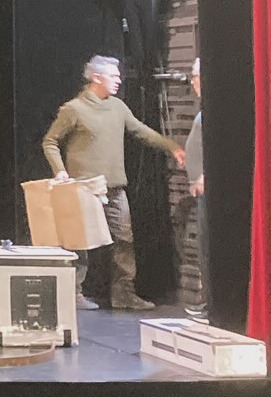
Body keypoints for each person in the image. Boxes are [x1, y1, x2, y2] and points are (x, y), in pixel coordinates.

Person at [42, 55, 185, 312]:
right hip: (83, 188)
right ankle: (73, 293)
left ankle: (124, 295)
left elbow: (140, 130)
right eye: (114, 75)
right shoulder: (74, 109)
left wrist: (172, 147)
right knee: (78, 242)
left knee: (124, 240)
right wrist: (60, 171)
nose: (119, 79)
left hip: (115, 187)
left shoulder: (118, 107)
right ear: (97, 77)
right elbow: (50, 142)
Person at [185, 57, 207, 321]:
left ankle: (213, 305)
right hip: (200, 189)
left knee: (209, 246)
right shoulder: (203, 110)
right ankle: (207, 302)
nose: (193, 82)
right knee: (204, 247)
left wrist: (204, 176)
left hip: (207, 189)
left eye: (196, 76)